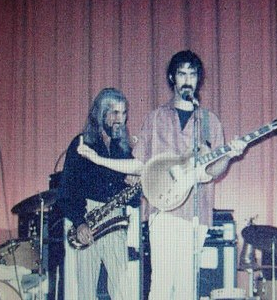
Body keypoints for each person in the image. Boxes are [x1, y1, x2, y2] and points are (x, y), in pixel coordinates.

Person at [78, 50, 246, 300]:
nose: (187, 79)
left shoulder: (209, 121)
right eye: (181, 73)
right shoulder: (155, 118)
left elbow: (213, 171)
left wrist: (230, 155)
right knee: (162, 285)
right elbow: (138, 166)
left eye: (192, 74)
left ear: (198, 79)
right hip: (163, 212)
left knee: (187, 287)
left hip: (195, 214)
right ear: (172, 78)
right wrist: (98, 159)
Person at [57, 87, 140, 300]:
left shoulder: (123, 149)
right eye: (114, 113)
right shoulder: (81, 144)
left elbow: (134, 199)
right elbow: (67, 189)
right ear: (100, 113)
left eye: (123, 113)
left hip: (115, 218)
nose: (119, 119)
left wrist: (133, 184)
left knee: (122, 289)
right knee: (86, 291)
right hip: (87, 217)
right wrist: (79, 222)